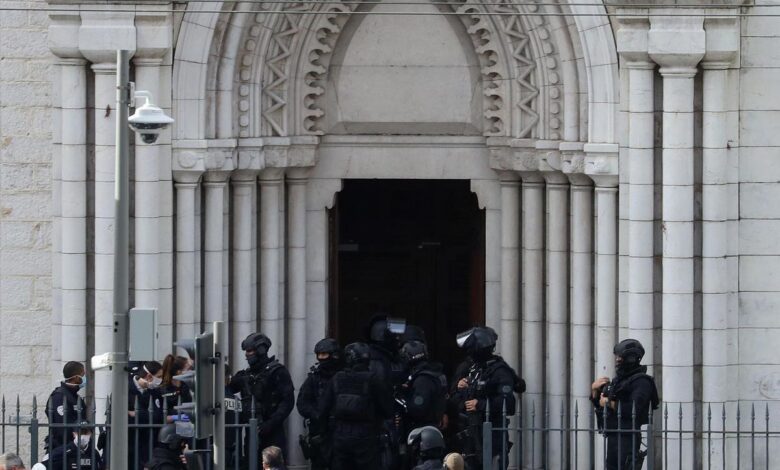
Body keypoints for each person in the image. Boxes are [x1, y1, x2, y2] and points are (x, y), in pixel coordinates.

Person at [450, 327, 524, 470]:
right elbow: (458, 400)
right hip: (472, 436)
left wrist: (481, 404)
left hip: (492, 437)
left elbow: (509, 404)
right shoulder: (474, 369)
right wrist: (460, 388)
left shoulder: (499, 370)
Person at [317, 342, 393, 470]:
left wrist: (325, 436)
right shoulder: (373, 380)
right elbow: (387, 410)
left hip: (340, 436)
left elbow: (322, 410)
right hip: (367, 438)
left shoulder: (337, 378)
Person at [591, 339, 659, 470]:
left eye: (620, 357)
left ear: (631, 358)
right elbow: (603, 407)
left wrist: (608, 402)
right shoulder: (621, 379)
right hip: (614, 435)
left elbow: (633, 410)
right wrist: (595, 391)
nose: (617, 360)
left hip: (628, 437)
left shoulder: (642, 382)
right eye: (617, 357)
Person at [228, 333, 295, 464]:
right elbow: (226, 388)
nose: (247, 354)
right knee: (251, 463)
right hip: (251, 430)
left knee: (273, 465)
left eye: (250, 351)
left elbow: (287, 402)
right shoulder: (245, 375)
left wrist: (270, 424)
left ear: (260, 350)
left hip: (272, 431)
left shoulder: (277, 372)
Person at [296, 338, 342, 469]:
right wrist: (317, 415)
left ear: (334, 355)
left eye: (324, 354)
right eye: (319, 355)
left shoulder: (344, 376)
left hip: (340, 431)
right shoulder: (314, 378)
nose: (321, 358)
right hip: (319, 432)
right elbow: (302, 403)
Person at [128, 361, 165, 470]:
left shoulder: (155, 391)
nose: (160, 380)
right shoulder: (125, 389)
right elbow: (124, 418)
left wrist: (137, 414)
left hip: (149, 444)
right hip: (130, 444)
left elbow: (158, 416)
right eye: (159, 376)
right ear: (149, 376)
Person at [45, 362, 88, 454]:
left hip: (76, 448)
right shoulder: (59, 397)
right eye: (83, 375)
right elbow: (62, 429)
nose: (84, 378)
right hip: (61, 449)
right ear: (76, 377)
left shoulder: (76, 397)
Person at [159, 355, 193, 420]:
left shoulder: (185, 386)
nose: (191, 371)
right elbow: (159, 416)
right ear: (179, 372)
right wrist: (174, 417)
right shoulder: (163, 389)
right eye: (189, 369)